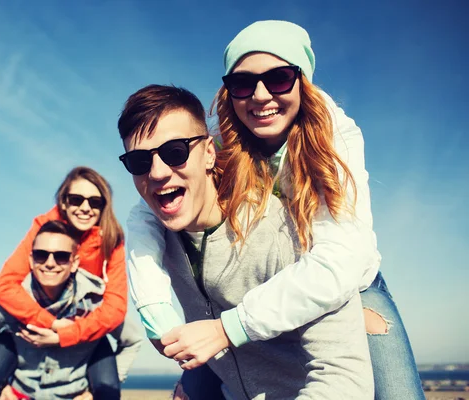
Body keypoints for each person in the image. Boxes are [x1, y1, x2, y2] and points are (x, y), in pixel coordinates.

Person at [124, 20, 424, 399]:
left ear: (303, 82)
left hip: (349, 283)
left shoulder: (336, 139)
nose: (260, 96)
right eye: (243, 84)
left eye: (279, 78)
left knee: (399, 394)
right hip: (256, 298)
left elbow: (341, 260)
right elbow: (147, 209)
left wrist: (227, 328)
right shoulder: (214, 136)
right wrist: (154, 308)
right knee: (202, 381)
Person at [117, 84, 374, 399]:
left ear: (210, 153)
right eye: (139, 162)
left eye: (175, 152)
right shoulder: (159, 235)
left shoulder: (286, 232)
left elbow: (344, 379)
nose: (156, 172)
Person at [0, 166, 142, 400]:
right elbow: (5, 286)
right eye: (76, 199)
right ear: (63, 202)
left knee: (107, 389)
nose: (85, 207)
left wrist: (68, 334)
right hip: (44, 318)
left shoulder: (111, 238)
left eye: (95, 202)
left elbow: (115, 308)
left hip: (87, 322)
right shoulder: (44, 230)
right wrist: (52, 325)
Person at [0, 220, 105, 399]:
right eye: (41, 255)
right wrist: (1, 384)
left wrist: (92, 394)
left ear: (74, 262)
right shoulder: (11, 301)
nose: (50, 263)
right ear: (30, 259)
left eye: (61, 256)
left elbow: (131, 341)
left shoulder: (94, 302)